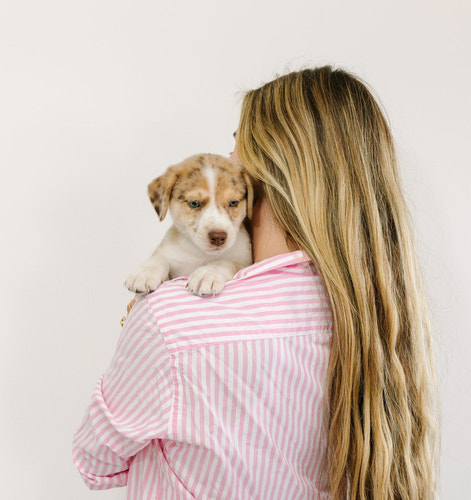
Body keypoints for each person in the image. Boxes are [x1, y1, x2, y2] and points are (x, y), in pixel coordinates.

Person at [73, 66, 439, 499]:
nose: (227, 161)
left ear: (264, 174)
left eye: (237, 146)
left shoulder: (173, 320)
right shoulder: (383, 315)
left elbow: (95, 463)